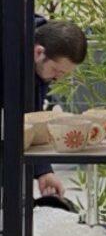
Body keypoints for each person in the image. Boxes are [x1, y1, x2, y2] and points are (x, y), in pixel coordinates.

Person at [33, 18, 88, 198]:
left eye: (64, 74)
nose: (58, 79)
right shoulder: (10, 46)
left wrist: (44, 171)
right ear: (38, 52)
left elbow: (31, 116)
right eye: (56, 71)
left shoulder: (40, 60)